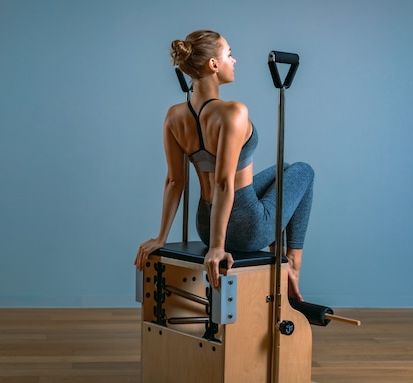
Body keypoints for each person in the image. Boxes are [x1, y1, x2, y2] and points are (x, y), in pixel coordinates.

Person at [134, 30, 313, 301]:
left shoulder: (174, 116)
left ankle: (280, 255)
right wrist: (218, 248)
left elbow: (174, 181)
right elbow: (224, 182)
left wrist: (161, 236)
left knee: (284, 169)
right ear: (213, 64)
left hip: (205, 225)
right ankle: (293, 264)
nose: (235, 60)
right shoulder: (233, 112)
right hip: (246, 227)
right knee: (303, 171)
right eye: (229, 54)